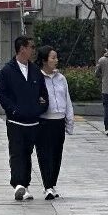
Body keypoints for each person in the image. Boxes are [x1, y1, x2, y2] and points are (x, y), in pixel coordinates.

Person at [0, 36, 48, 202]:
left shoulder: (35, 71)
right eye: (31, 46)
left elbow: (43, 94)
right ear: (22, 48)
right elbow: (1, 95)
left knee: (27, 153)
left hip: (33, 120)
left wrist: (39, 109)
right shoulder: (7, 71)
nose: (33, 50)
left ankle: (25, 184)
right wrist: (13, 110)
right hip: (15, 121)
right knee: (17, 152)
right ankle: (18, 184)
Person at [35, 46, 73, 200]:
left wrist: (69, 120)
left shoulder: (61, 78)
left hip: (59, 121)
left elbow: (67, 99)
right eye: (53, 58)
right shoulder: (37, 77)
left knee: (57, 154)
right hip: (44, 121)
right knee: (45, 154)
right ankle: (47, 186)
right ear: (44, 60)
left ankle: (52, 184)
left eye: (56, 57)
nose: (56, 60)